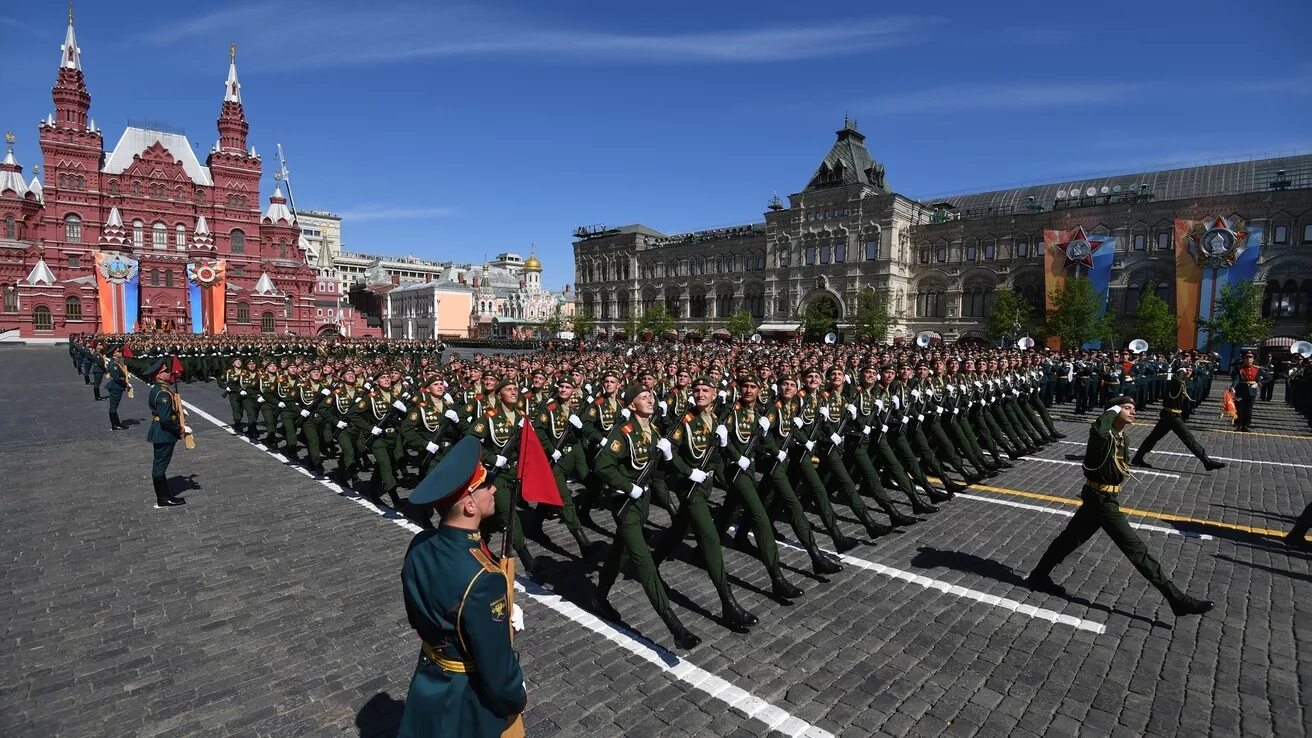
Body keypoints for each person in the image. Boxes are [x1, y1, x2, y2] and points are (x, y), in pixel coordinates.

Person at [1025, 396, 1213, 617]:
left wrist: (1117, 412)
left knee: (1070, 539)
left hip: (1104, 498)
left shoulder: (1122, 437)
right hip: (1102, 501)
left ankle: (1039, 575)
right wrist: (1111, 410)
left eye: (1134, 408)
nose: (1133, 412)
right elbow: (1097, 430)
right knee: (1135, 548)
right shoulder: (1102, 436)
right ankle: (1175, 598)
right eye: (1127, 408)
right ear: (1113, 412)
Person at [399, 436, 527, 737]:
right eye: (486, 486)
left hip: (430, 678)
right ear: (470, 505)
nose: (494, 489)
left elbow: (419, 613)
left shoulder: (419, 544)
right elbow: (496, 670)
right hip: (466, 697)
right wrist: (516, 693)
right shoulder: (484, 579)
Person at [1131, 363, 1226, 471]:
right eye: (1187, 370)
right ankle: (1207, 462)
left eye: (1191, 370)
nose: (1190, 372)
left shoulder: (1183, 383)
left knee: (1153, 437)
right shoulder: (1175, 382)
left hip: (1172, 415)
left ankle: (1137, 457)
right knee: (1188, 438)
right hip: (1171, 415)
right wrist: (1181, 371)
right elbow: (1176, 379)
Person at [146, 360, 187, 508]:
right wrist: (179, 428)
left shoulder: (158, 389)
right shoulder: (163, 393)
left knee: (159, 465)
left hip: (159, 430)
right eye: (165, 371)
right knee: (160, 466)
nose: (169, 373)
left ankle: (164, 496)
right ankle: (163, 498)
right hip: (163, 433)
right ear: (158, 376)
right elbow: (165, 420)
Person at [1231, 351, 1260, 431]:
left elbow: (1266, 377)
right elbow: (1236, 379)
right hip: (1240, 390)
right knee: (1239, 408)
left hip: (1251, 391)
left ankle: (1246, 425)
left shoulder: (1257, 369)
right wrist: (1233, 386)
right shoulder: (1239, 368)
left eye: (1251, 358)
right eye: (1246, 358)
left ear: (1253, 359)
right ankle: (1238, 425)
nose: (1248, 359)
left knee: (1248, 409)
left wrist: (1259, 383)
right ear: (1243, 359)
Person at [105, 346, 130, 431]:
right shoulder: (114, 365)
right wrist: (126, 383)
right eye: (118, 351)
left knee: (114, 406)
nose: (120, 353)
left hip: (116, 387)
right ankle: (115, 425)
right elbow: (117, 378)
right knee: (113, 406)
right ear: (114, 354)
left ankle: (116, 423)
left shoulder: (115, 362)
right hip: (116, 387)